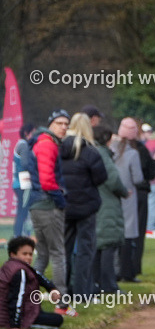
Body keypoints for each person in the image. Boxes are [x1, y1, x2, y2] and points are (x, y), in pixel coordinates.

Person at [26, 110, 70, 312]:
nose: (64, 127)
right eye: (59, 123)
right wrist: (61, 200)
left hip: (38, 204)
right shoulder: (47, 144)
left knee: (43, 255)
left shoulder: (42, 141)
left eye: (66, 124)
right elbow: (46, 181)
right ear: (50, 124)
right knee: (58, 254)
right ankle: (62, 303)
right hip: (48, 205)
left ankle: (26, 298)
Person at [60, 113, 107, 299]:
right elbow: (101, 178)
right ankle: (82, 292)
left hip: (65, 205)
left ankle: (63, 290)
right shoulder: (90, 152)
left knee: (64, 249)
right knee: (85, 251)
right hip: (86, 206)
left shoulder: (59, 148)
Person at [91, 125, 130, 294]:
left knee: (99, 244)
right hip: (107, 204)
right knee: (108, 244)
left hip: (98, 201)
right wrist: (124, 191)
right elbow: (113, 180)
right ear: (106, 140)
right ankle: (109, 285)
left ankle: (97, 282)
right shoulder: (103, 155)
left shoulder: (93, 152)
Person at [118, 118, 155, 276]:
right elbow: (146, 175)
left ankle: (118, 268)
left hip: (118, 194)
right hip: (137, 193)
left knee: (120, 231)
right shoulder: (139, 150)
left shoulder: (114, 149)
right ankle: (132, 268)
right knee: (136, 233)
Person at [0, 237, 64, 329]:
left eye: (30, 254)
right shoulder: (19, 271)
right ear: (13, 254)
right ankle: (22, 323)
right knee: (58, 319)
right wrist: (15, 325)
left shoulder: (11, 265)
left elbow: (40, 277)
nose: (28, 257)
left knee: (45, 314)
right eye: (24, 254)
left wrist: (52, 289)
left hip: (24, 311)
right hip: (16, 318)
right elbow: (16, 298)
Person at [112, 128, 144, 282]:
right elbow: (137, 178)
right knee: (128, 235)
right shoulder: (133, 154)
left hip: (112, 196)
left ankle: (114, 270)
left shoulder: (111, 151)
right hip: (128, 196)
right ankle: (126, 271)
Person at [12, 122, 35, 238]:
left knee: (22, 210)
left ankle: (20, 234)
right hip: (23, 183)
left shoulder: (19, 144)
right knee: (23, 211)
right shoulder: (24, 145)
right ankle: (20, 235)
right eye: (33, 133)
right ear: (26, 133)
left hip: (18, 183)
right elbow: (25, 164)